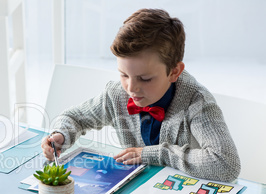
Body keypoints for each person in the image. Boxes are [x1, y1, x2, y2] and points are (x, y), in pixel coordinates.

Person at [41, 8, 240, 182]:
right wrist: (62, 134)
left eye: (145, 79)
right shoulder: (116, 94)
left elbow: (226, 164)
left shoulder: (197, 102)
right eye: (124, 74)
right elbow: (73, 117)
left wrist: (156, 154)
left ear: (174, 72)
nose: (131, 88)